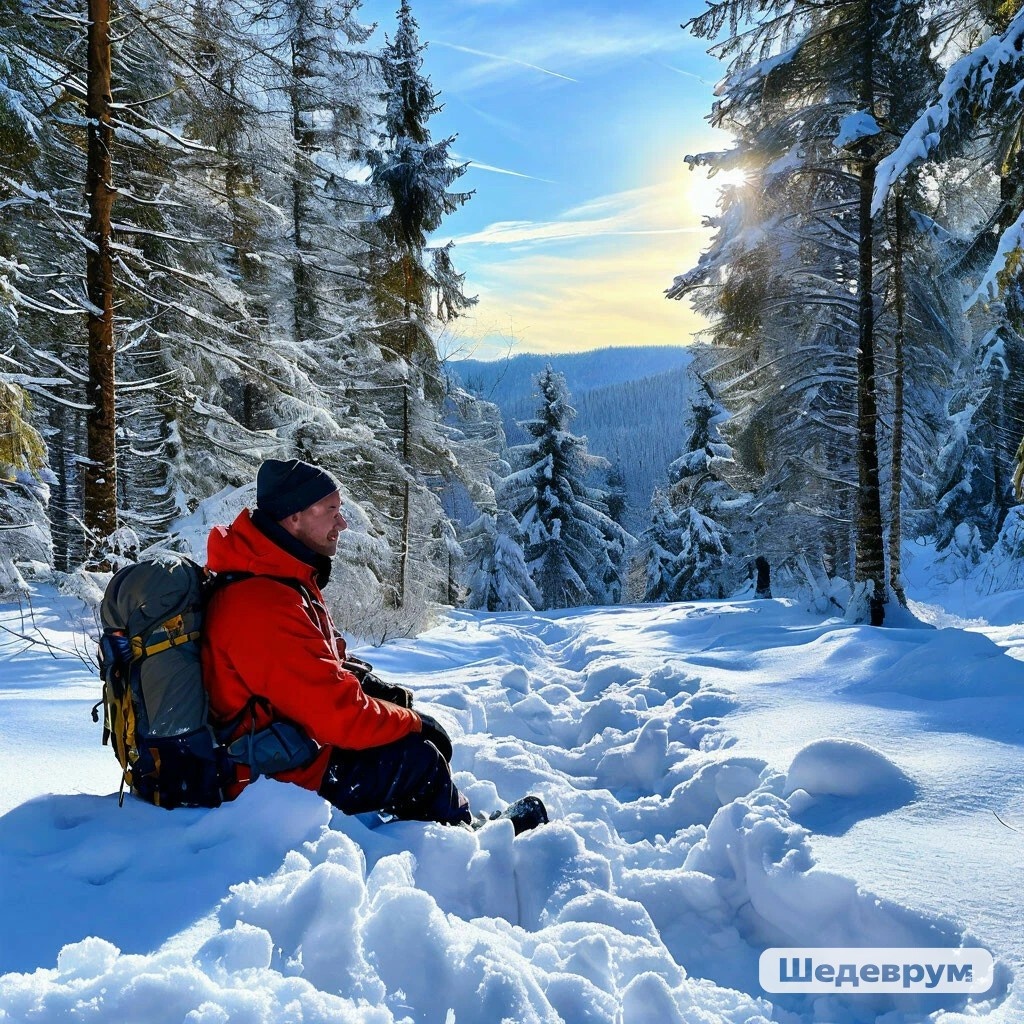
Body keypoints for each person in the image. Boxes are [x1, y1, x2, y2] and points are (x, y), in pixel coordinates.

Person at [202, 458, 547, 833]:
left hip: (287, 741)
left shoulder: (280, 577)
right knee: (418, 761)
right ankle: (462, 844)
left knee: (400, 733)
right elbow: (338, 717)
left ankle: (421, 823)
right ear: (294, 517)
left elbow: (322, 663)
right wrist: (414, 724)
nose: (343, 523)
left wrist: (374, 691)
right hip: (267, 774)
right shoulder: (263, 602)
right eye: (332, 511)